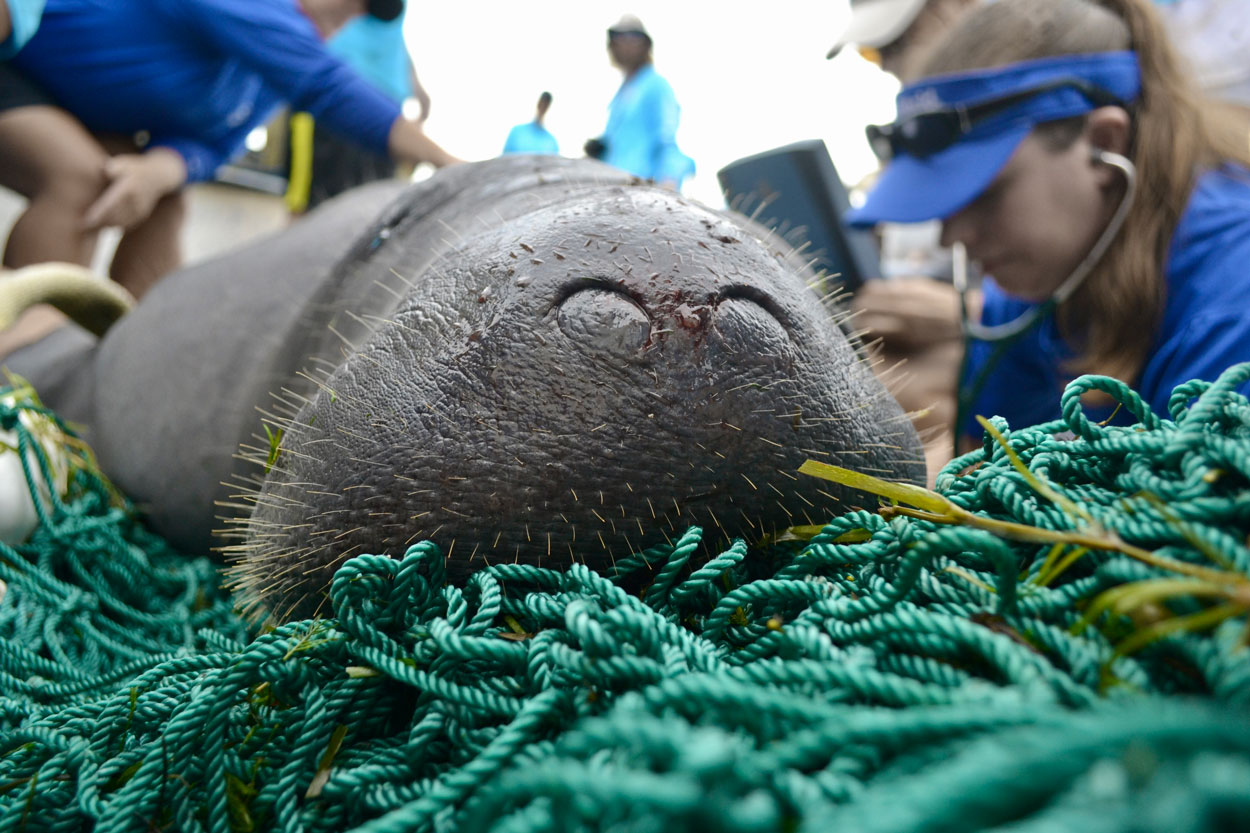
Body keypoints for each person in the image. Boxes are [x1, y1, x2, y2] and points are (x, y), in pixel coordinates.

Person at [845, 0, 1250, 460]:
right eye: (944, 203)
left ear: (1103, 143)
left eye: (985, 193)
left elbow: (1201, 506)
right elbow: (982, 470)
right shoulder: (1020, 302)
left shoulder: (1233, 299)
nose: (951, 236)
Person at [0, 0, 459, 300]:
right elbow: (327, 87)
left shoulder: (262, 82)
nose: (345, 12)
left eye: (358, 11)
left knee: (167, 200)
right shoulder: (255, 10)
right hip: (19, 69)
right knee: (82, 177)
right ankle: (22, 354)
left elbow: (217, 144)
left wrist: (163, 167)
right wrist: (451, 163)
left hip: (76, 112)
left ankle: (123, 354)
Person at [826, 0, 980, 480]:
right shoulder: (900, 161)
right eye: (873, 52)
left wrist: (971, 316)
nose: (887, 63)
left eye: (895, 40)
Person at [290, 0, 432, 213]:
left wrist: (419, 92)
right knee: (312, 203)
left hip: (387, 108)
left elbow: (395, 37)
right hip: (334, 99)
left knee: (375, 205)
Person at [585, 14, 694, 190]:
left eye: (633, 37)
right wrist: (600, 150)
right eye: (619, 38)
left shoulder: (656, 85)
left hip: (644, 189)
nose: (626, 44)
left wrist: (669, 178)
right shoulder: (620, 95)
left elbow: (666, 138)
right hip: (614, 188)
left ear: (646, 45)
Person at [502, 91, 559, 156]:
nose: (543, 106)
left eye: (546, 104)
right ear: (538, 103)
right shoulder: (517, 132)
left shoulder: (551, 142)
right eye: (542, 103)